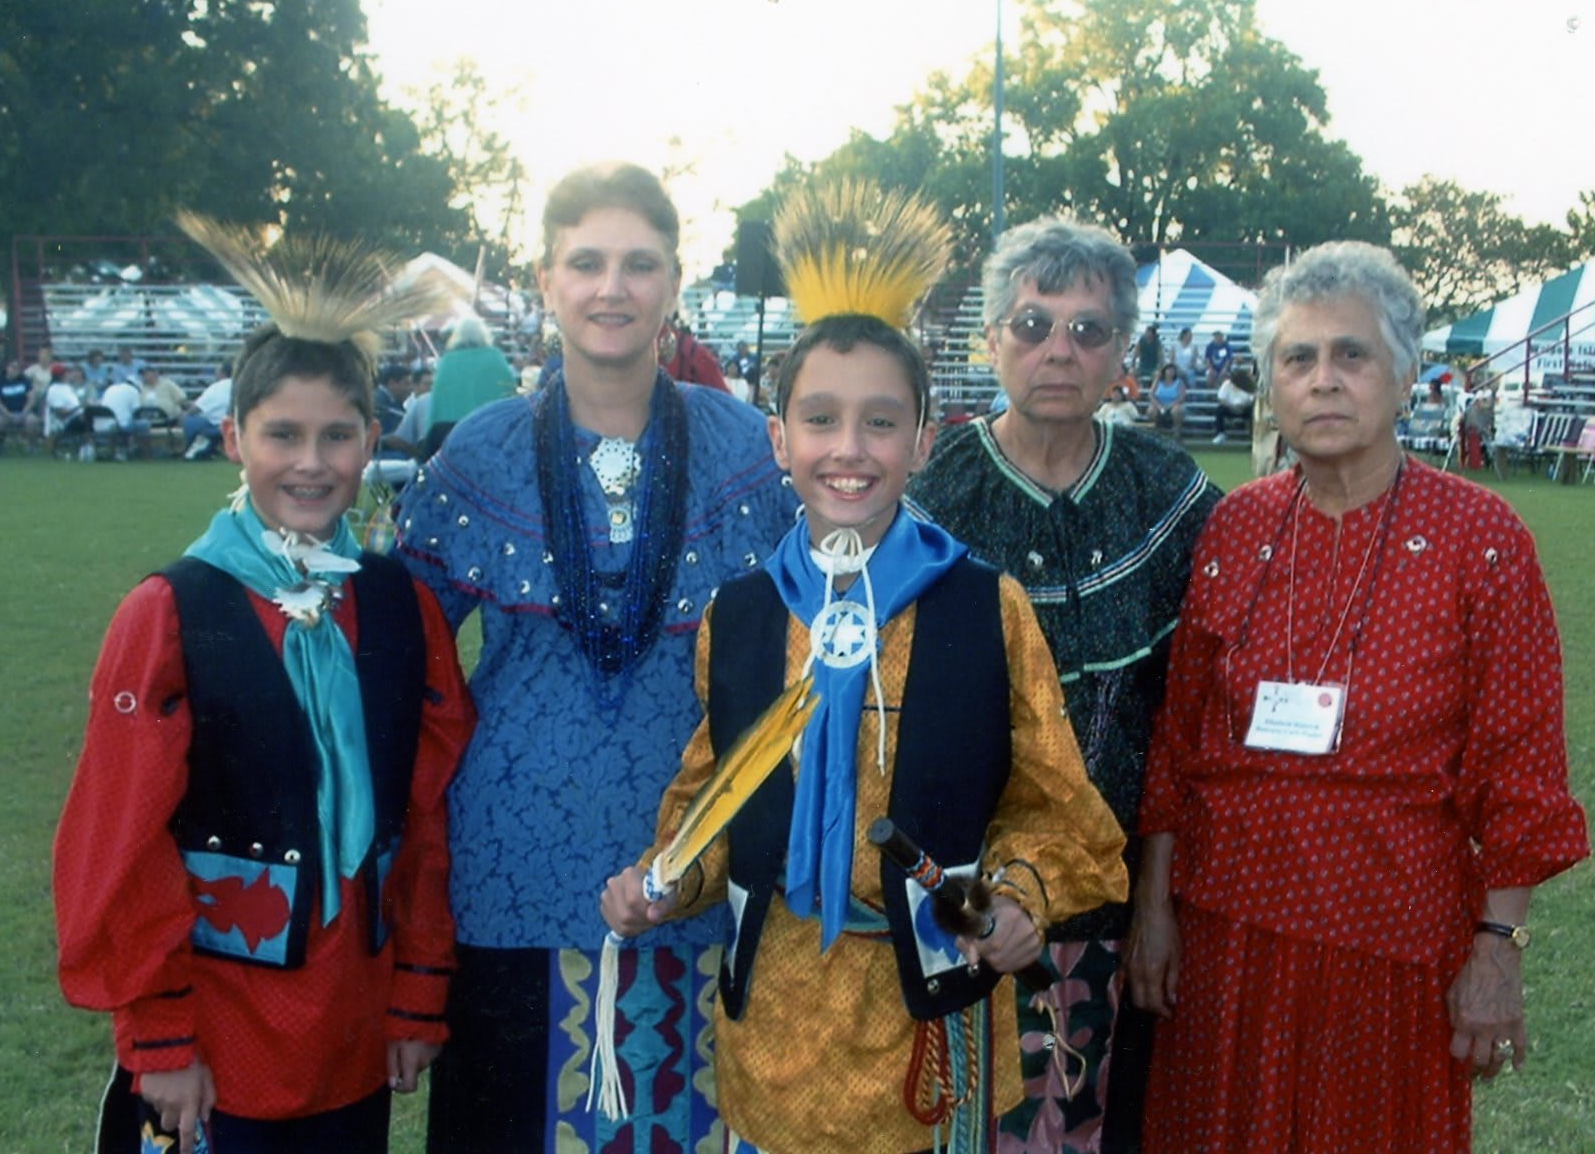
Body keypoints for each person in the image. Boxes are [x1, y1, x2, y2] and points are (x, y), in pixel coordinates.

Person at [601, 183, 1127, 1153]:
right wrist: (665, 878)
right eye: (821, 420)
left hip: (928, 1023)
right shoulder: (744, 614)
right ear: (778, 440)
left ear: (927, 439)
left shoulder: (983, 606)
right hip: (777, 1021)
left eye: (881, 423)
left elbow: (1057, 810)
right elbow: (716, 800)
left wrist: (1016, 898)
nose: (849, 450)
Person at [1128, 241, 1591, 1151]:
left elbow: (1520, 762)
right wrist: (1154, 911)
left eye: (1352, 355)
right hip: (1225, 938)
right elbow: (1178, 741)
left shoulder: (1481, 538)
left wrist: (1499, 946)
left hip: (1389, 946)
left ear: (1407, 375)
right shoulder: (1238, 524)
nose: (1324, 380)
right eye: (1298, 359)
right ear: (1270, 384)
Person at [392, 161, 799, 1150]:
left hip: (697, 860)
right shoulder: (477, 453)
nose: (611, 287)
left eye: (638, 264)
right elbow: (401, 657)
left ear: (673, 282)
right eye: (586, 262)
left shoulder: (752, 448)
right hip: (508, 866)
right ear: (544, 281)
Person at [54, 214, 475, 1152]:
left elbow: (426, 818)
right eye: (283, 433)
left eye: (337, 435)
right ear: (233, 437)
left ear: (373, 439)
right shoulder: (170, 614)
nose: (312, 462)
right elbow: (121, 841)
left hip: (354, 1026)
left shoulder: (402, 608)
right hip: (217, 1032)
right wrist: (159, 1037)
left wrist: (417, 993)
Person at [907, 216, 1219, 1153]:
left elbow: (1186, 725)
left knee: (1106, 1126)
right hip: (964, 904)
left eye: (1088, 331)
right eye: (1033, 324)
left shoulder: (1169, 492)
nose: (1059, 350)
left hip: (1123, 903)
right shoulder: (929, 493)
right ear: (992, 338)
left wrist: (1158, 906)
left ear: (1122, 350)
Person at [422, 316, 516, 460]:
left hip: (450, 429)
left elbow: (439, 401)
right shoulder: (496, 357)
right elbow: (510, 394)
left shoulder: (447, 361)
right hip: (491, 429)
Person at [182, 363, 234, 459]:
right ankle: (209, 449)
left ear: (222, 373)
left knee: (188, 419)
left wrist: (185, 414)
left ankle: (193, 447)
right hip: (233, 424)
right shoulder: (239, 386)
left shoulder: (216, 387)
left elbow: (197, 408)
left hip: (213, 425)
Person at [1211, 367, 1255, 444]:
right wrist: (1231, 406)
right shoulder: (1226, 384)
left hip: (1244, 408)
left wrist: (1242, 406)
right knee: (1219, 410)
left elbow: (1252, 399)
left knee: (1253, 411)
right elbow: (1221, 399)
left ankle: (1253, 436)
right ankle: (1220, 434)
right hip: (1230, 408)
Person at [1150, 361, 1187, 435]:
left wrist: (1170, 406)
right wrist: (1159, 406)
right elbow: (1151, 394)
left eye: (1173, 370)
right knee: (1151, 411)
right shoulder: (1158, 381)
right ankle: (1155, 432)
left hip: (1175, 404)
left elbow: (1182, 397)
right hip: (1159, 404)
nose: (1171, 372)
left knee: (1177, 411)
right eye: (1169, 370)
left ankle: (1177, 434)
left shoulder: (1179, 382)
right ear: (1164, 371)